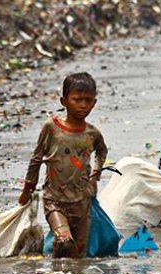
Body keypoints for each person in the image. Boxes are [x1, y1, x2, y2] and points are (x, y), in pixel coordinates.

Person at [19, 72, 108, 258]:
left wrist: (96, 174)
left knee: (79, 254)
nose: (83, 105)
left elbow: (101, 151)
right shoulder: (51, 127)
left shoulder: (92, 134)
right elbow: (36, 158)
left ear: (94, 103)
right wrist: (28, 188)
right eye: (77, 99)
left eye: (88, 100)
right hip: (55, 200)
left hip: (82, 202)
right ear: (64, 101)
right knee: (64, 240)